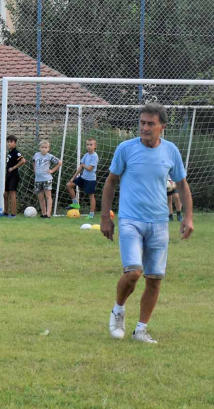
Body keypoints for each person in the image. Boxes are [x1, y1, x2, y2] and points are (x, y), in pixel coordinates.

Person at [102, 103, 193, 344]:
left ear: (162, 127)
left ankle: (141, 329)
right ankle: (118, 310)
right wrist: (105, 218)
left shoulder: (171, 151)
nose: (144, 127)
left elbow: (182, 185)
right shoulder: (125, 149)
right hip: (130, 220)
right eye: (142, 123)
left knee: (154, 279)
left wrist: (188, 217)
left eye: (150, 124)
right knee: (133, 272)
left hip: (159, 223)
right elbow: (110, 182)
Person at [66, 138, 100, 218]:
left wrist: (83, 165)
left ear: (95, 146)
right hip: (83, 177)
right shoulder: (86, 155)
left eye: (91, 145)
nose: (89, 146)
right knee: (69, 185)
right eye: (87, 144)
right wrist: (73, 177)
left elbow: (89, 168)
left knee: (91, 196)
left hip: (91, 179)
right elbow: (80, 167)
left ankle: (91, 214)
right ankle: (75, 203)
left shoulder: (95, 156)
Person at [32, 140, 61, 218]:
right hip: (38, 179)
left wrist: (52, 170)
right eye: (42, 147)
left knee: (48, 196)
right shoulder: (36, 155)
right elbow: (33, 161)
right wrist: (34, 169)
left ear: (48, 149)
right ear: (39, 148)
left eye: (45, 147)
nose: (44, 149)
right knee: (40, 197)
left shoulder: (49, 156)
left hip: (47, 179)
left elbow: (59, 163)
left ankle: (48, 214)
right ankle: (43, 213)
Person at [3, 135, 26, 217]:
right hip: (8, 175)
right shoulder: (10, 152)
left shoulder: (16, 152)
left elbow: (23, 161)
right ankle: (5, 212)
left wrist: (14, 167)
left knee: (12, 194)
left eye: (11, 142)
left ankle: (13, 214)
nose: (9, 143)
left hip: (14, 175)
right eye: (8, 142)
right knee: (5, 194)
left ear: (15, 143)